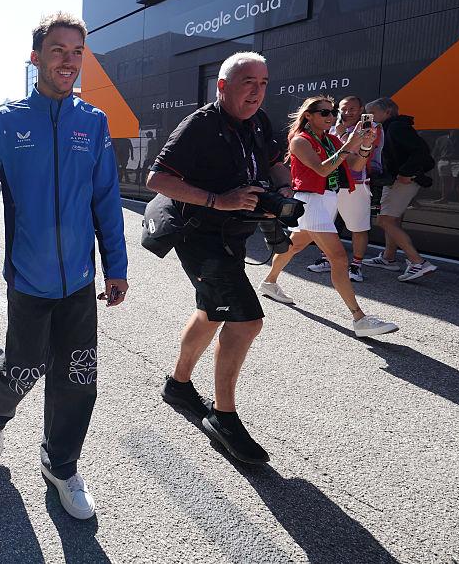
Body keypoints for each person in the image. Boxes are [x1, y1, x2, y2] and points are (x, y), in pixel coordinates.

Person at [0, 12, 127, 521]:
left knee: (78, 378)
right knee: (25, 368)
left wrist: (115, 265)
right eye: (58, 50)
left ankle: (60, 464)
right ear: (36, 57)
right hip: (28, 280)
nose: (68, 61)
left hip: (79, 280)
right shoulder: (5, 123)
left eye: (77, 52)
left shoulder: (93, 122)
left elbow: (106, 198)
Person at [146, 51, 293, 466]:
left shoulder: (258, 121)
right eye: (248, 82)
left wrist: (283, 190)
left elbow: (275, 163)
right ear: (223, 86)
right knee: (246, 320)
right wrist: (218, 200)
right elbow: (156, 178)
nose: (257, 92)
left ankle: (178, 385)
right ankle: (223, 417)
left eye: (263, 83)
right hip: (201, 236)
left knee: (212, 312)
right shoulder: (200, 125)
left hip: (233, 235)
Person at [257, 96, 397, 337]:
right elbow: (322, 169)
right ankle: (359, 318)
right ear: (308, 115)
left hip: (327, 199)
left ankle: (269, 282)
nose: (330, 117)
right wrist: (349, 144)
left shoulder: (331, 139)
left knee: (294, 245)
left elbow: (355, 166)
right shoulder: (300, 140)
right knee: (339, 259)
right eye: (324, 112)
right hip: (311, 201)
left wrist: (365, 145)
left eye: (332, 112)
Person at [361, 97, 438, 282]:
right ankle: (388, 258)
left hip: (402, 180)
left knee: (384, 220)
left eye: (372, 113)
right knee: (392, 219)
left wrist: (405, 172)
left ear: (387, 112)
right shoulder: (392, 126)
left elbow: (421, 153)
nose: (369, 116)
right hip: (397, 179)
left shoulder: (396, 127)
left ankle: (418, 262)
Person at [306, 95, 382, 282]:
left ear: (361, 109)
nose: (347, 113)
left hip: (356, 184)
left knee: (358, 226)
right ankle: (326, 259)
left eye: (352, 109)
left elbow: (357, 159)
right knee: (324, 223)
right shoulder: (332, 128)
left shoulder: (371, 128)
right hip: (332, 183)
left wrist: (344, 136)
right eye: (343, 109)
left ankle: (356, 266)